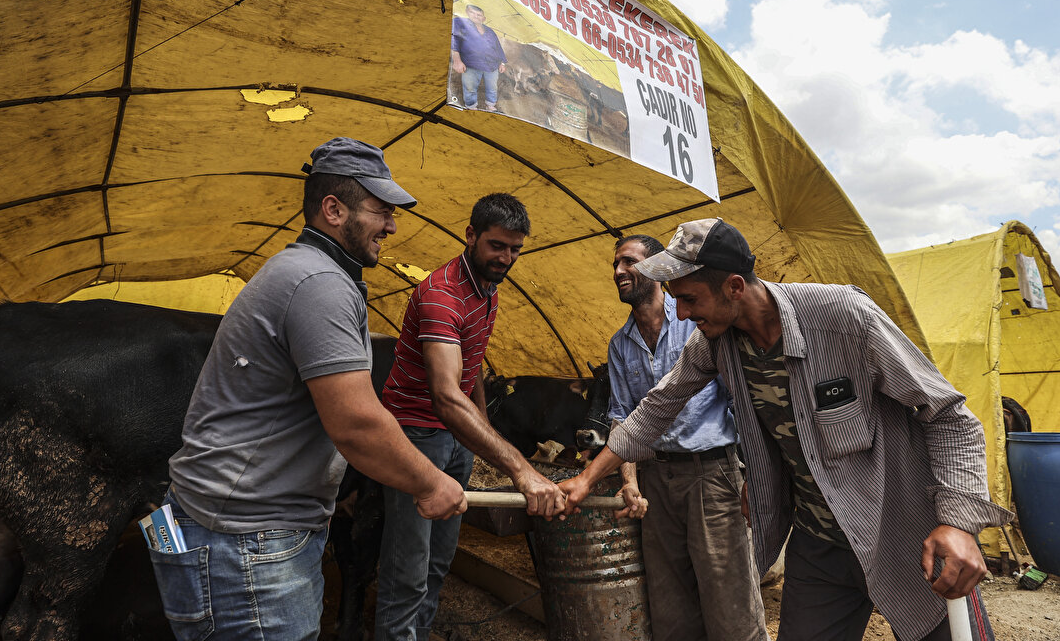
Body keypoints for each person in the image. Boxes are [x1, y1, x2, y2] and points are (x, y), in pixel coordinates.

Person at [563, 218, 1012, 641]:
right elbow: (655, 410)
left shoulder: (844, 317)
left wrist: (958, 523)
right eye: (675, 298)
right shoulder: (716, 344)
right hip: (820, 545)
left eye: (690, 299)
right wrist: (585, 480)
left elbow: (951, 418)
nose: (680, 313)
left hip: (900, 531)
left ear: (734, 287)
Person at [154, 137, 467, 641]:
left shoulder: (303, 270)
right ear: (333, 209)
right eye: (381, 211)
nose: (391, 225)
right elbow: (357, 423)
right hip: (247, 544)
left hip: (235, 529)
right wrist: (431, 484)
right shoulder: (318, 282)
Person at [375, 194, 566, 641]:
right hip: (415, 434)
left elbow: (471, 361)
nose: (506, 258)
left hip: (455, 436)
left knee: (440, 559)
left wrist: (480, 423)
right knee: (408, 567)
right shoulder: (442, 294)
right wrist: (522, 470)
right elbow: (444, 395)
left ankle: (418, 633)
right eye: (497, 246)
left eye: (516, 249)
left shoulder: (488, 289)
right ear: (470, 235)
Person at [606, 235, 769, 641]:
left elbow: (745, 403)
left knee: (730, 603)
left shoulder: (700, 321)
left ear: (658, 271)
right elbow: (622, 419)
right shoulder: (620, 345)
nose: (619, 272)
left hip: (711, 476)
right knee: (671, 608)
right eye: (615, 265)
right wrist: (630, 483)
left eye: (629, 262)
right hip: (657, 483)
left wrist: (756, 474)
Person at [450, 4, 507, 112]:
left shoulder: (490, 31)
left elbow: (497, 47)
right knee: (470, 87)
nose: (476, 16)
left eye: (479, 15)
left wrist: (502, 63)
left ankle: (490, 105)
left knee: (492, 87)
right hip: (471, 64)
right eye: (473, 13)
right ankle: (471, 107)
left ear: (483, 18)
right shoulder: (460, 23)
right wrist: (457, 60)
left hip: (491, 65)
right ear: (467, 12)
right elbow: (455, 39)